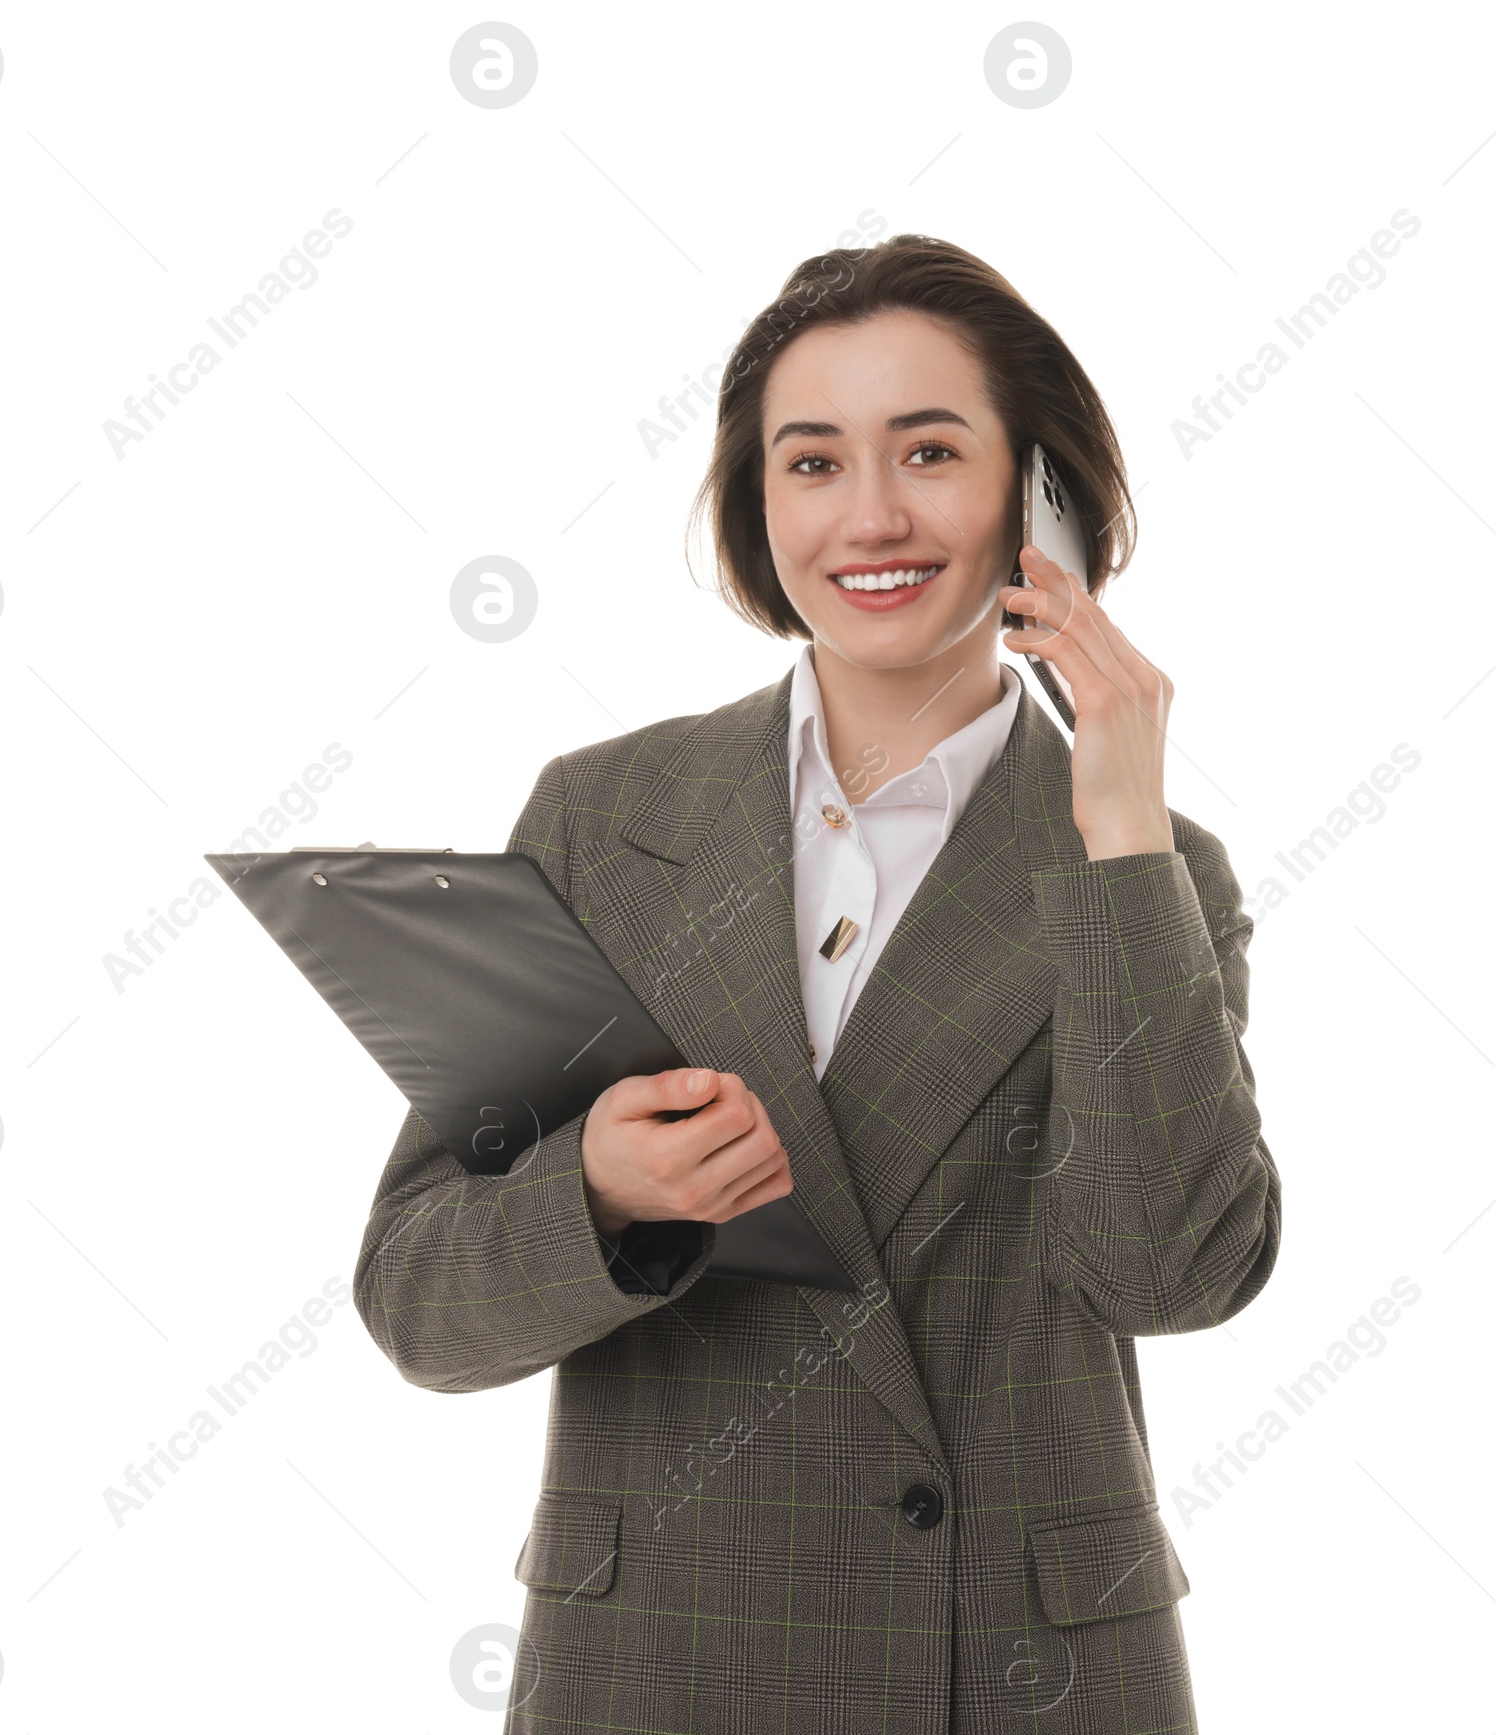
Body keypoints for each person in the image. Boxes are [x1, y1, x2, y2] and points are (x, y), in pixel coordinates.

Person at [354, 234, 1280, 1734]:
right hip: (662, 1660)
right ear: (754, 500)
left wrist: (1117, 828)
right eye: (811, 463)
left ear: (1041, 496)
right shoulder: (606, 818)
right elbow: (417, 1302)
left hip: (1010, 1673)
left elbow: (1167, 1276)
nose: (871, 517)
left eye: (929, 450)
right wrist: (593, 1190)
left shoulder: (1155, 869)